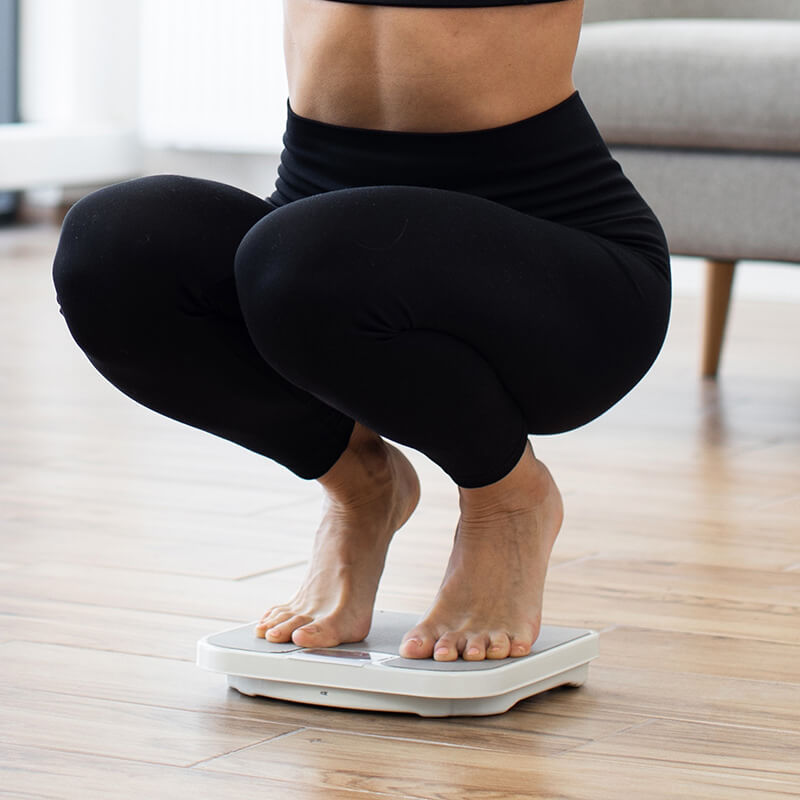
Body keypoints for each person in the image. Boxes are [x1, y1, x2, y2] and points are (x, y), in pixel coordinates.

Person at [52, 0, 671, 662]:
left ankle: (508, 502)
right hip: (317, 248)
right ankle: (359, 483)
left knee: (302, 263)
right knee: (112, 252)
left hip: (562, 282)